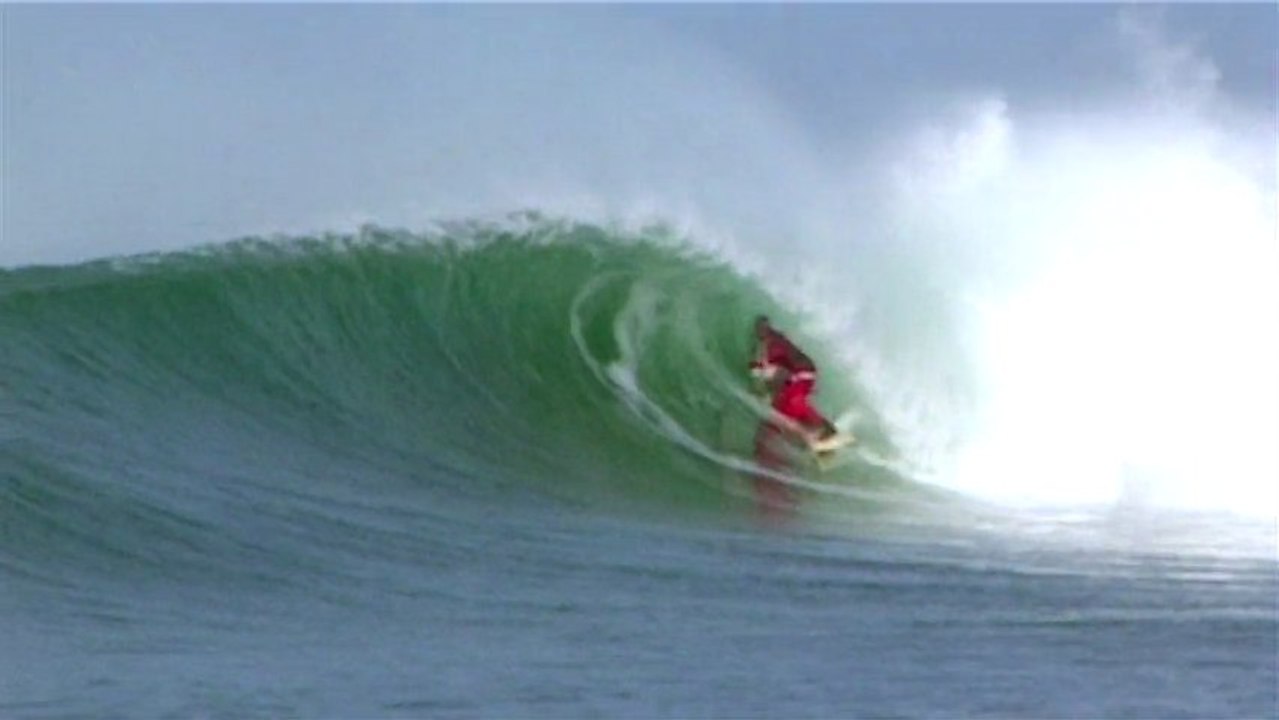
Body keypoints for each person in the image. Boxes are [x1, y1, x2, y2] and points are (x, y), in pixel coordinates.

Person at [748, 315, 838, 448]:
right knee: (797, 406)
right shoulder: (778, 338)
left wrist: (758, 370)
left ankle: (811, 437)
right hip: (807, 374)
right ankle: (828, 431)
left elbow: (772, 372)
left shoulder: (770, 345)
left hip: (798, 377)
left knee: (781, 415)